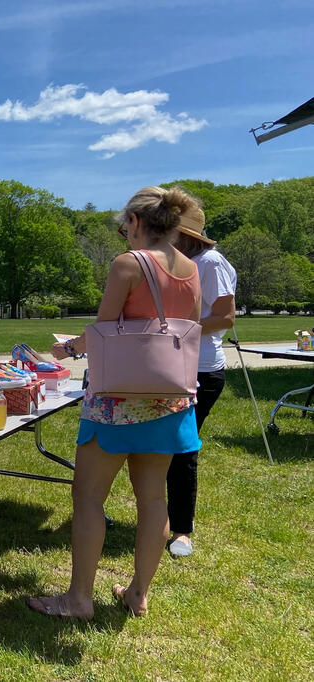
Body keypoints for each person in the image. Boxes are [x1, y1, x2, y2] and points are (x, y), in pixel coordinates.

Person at [27, 186, 202, 619]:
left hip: (117, 402)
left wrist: (67, 348)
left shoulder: (128, 264)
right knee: (153, 500)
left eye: (125, 226)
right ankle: (138, 593)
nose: (125, 234)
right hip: (168, 400)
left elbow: (104, 331)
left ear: (138, 222)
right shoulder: (191, 269)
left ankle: (79, 599)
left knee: (88, 498)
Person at [166, 206, 236, 557]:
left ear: (185, 235)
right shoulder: (185, 263)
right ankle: (168, 520)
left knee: (182, 449)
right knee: (168, 447)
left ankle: (182, 531)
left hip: (202, 371)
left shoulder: (210, 262)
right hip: (179, 366)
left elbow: (225, 317)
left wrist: (176, 327)